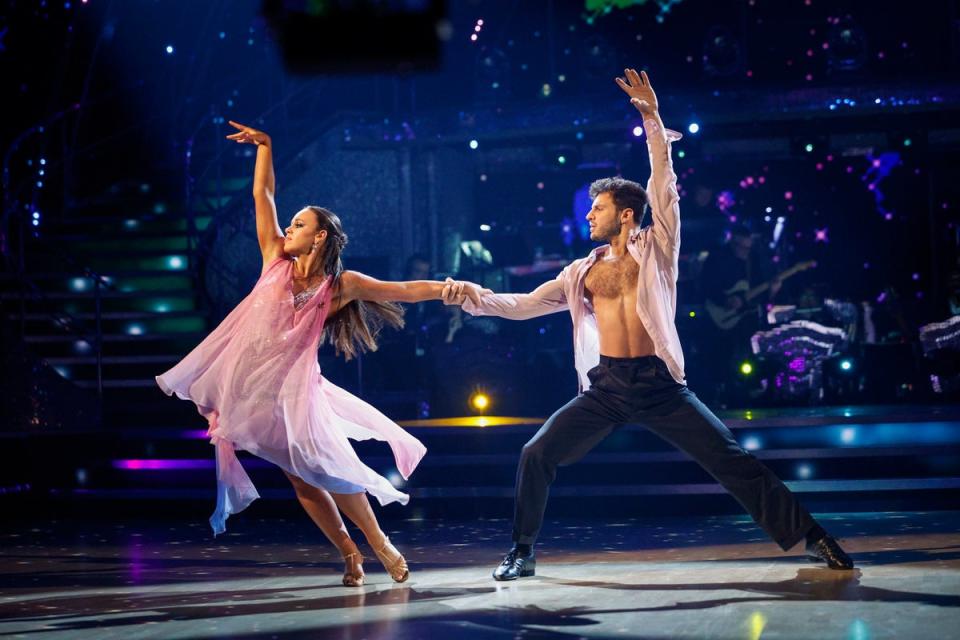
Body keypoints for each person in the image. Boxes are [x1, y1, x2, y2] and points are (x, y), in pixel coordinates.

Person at [443, 69, 853, 580]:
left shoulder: (658, 250)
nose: (589, 216)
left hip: (659, 385)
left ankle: (814, 537)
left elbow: (664, 187)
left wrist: (653, 122)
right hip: (608, 386)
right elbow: (524, 304)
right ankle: (522, 550)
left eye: (598, 208)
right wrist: (474, 299)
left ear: (627, 215)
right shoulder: (582, 273)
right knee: (536, 452)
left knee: (732, 461)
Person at [157, 120, 487, 587]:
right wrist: (266, 147)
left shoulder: (341, 286)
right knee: (300, 478)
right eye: (290, 223)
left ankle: (379, 543)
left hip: (298, 392)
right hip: (253, 390)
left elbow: (406, 290)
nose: (287, 228)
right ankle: (350, 555)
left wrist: (451, 288)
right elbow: (262, 198)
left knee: (330, 468)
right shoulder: (275, 258)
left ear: (319, 238)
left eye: (299, 224)